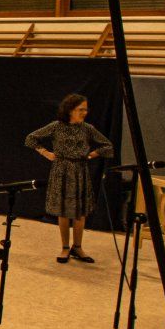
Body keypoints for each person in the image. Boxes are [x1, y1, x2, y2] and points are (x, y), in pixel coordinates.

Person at [24, 93, 114, 264]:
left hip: (80, 171)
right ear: (70, 110)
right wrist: (45, 153)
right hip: (61, 170)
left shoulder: (87, 128)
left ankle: (77, 247)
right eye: (81, 109)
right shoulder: (56, 126)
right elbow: (31, 138)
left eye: (86, 109)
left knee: (80, 212)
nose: (85, 112)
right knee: (63, 211)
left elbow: (107, 145)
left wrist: (91, 155)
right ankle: (65, 247)